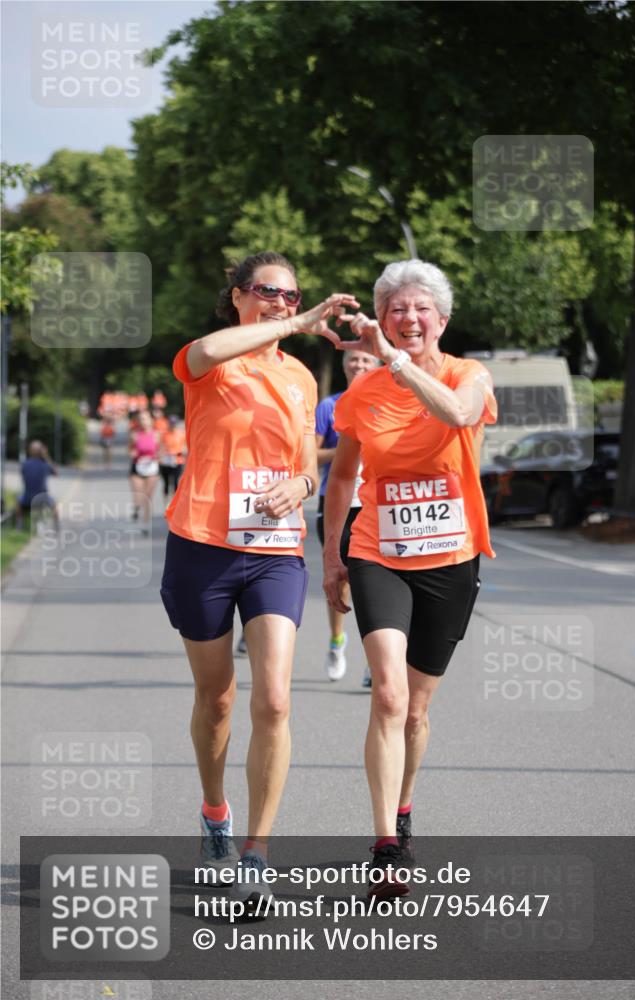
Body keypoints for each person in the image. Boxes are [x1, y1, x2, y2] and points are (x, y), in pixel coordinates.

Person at [159, 250, 358, 910]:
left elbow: (307, 464)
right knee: (217, 699)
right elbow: (209, 348)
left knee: (273, 700)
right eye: (269, 292)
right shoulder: (211, 360)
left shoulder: (301, 378)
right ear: (240, 295)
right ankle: (214, 812)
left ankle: (256, 852)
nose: (281, 300)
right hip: (202, 546)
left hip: (273, 551)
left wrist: (301, 484)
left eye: (292, 293)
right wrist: (293, 320)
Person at [323, 259, 497, 900]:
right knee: (390, 696)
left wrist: (395, 361)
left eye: (421, 308)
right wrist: (333, 555)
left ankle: (404, 808)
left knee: (418, 710)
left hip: (451, 559)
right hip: (379, 551)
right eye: (396, 309)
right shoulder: (359, 397)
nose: (409, 318)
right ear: (383, 318)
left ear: (442, 320)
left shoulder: (467, 374)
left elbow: (456, 415)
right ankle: (385, 846)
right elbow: (342, 477)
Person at [316, 349, 380, 684]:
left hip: (374, 504)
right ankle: (337, 640)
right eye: (353, 360)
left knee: (374, 586)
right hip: (337, 503)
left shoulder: (387, 401)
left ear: (378, 364)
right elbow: (309, 453)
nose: (359, 365)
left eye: (366, 360)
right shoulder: (329, 406)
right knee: (339, 581)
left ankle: (376, 661)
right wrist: (346, 449)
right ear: (344, 366)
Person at [128, 410, 161, 535]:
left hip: (152, 468)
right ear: (138, 422)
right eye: (141, 419)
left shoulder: (157, 435)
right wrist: (132, 453)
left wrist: (159, 456)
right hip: (137, 467)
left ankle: (146, 524)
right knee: (139, 494)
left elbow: (161, 450)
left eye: (146, 418)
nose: (144, 421)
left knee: (148, 497)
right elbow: (130, 450)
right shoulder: (134, 435)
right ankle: (136, 507)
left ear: (151, 420)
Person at [15, 440, 59, 530]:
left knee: (19, 501)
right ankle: (56, 526)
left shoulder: (25, 464)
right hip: (42, 498)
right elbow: (56, 473)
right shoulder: (45, 464)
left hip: (27, 497)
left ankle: (19, 526)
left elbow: (23, 476)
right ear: (41, 451)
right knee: (54, 504)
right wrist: (46, 456)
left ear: (30, 451)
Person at [158, 415, 187, 499]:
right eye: (171, 423)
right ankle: (166, 503)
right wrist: (162, 454)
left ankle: (175, 503)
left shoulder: (181, 434)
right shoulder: (164, 434)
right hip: (166, 461)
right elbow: (160, 446)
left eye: (174, 423)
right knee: (166, 483)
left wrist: (180, 452)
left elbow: (185, 447)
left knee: (176, 482)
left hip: (177, 460)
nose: (172, 425)